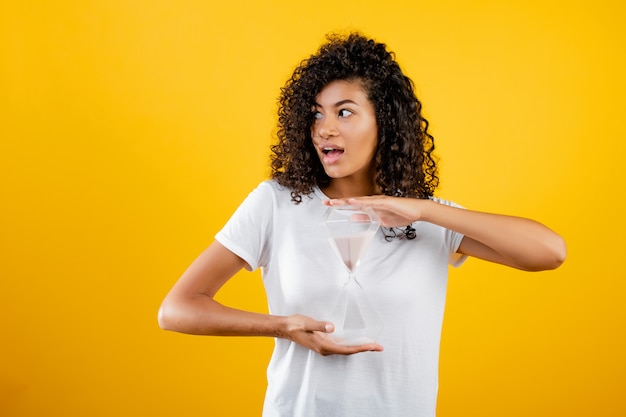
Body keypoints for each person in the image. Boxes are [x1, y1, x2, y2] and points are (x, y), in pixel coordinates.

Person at [158, 32, 566, 417]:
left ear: (384, 123)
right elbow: (177, 309)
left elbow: (550, 253)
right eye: (316, 114)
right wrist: (283, 327)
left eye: (345, 112)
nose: (325, 128)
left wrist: (424, 210)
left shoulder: (425, 218)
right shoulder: (277, 203)